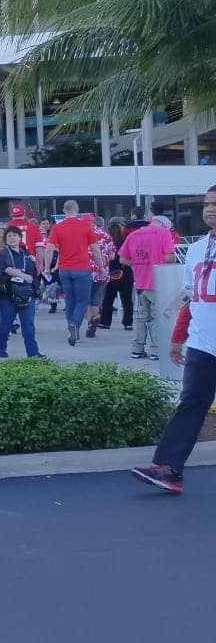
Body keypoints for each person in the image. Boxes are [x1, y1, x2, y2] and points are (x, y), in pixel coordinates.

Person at [130, 185, 216, 494]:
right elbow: (190, 298)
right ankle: (169, 468)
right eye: (207, 203)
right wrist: (178, 338)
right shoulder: (196, 249)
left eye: (215, 204)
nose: (210, 209)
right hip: (203, 343)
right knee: (191, 403)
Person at [44, 200, 104, 346]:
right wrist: (100, 265)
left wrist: (47, 267)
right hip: (82, 268)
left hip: (65, 269)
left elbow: (49, 249)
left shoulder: (57, 228)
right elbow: (95, 249)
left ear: (64, 210)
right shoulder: (85, 226)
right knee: (83, 301)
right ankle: (75, 325)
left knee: (69, 300)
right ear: (77, 210)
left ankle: (72, 329)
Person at [118, 215, 177, 360]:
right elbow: (169, 257)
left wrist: (139, 264)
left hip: (140, 282)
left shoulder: (134, 234)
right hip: (159, 282)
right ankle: (156, 350)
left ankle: (137, 348)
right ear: (164, 225)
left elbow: (123, 259)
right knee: (158, 317)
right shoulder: (163, 233)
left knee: (141, 317)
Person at [0, 226, 41, 358]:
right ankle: (1, 349)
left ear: (20, 238)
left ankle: (33, 352)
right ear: (5, 239)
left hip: (26, 293)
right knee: (6, 323)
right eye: (9, 236)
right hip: (8, 295)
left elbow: (33, 270)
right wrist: (22, 275)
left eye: (15, 235)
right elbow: (6, 269)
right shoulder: (3, 253)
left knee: (28, 323)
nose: (12, 238)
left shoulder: (25, 253)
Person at [83, 215, 117, 339]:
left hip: (86, 272)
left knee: (84, 300)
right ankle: (96, 318)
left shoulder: (82, 234)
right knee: (96, 301)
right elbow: (113, 256)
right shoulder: (106, 236)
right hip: (103, 273)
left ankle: (90, 322)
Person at [99, 218, 134, 330]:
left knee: (108, 298)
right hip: (126, 271)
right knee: (127, 299)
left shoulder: (107, 241)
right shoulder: (126, 240)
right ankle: (128, 323)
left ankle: (105, 322)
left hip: (112, 272)